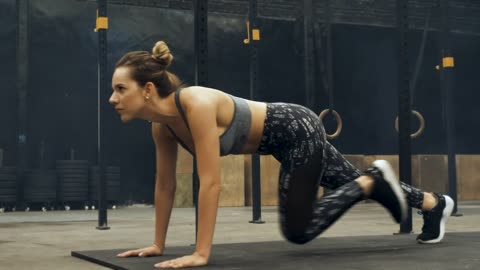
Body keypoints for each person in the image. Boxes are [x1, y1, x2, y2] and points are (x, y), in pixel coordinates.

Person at [110, 41, 455, 269]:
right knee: (343, 180)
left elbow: (211, 183)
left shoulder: (194, 103)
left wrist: (201, 254)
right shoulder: (161, 127)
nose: (113, 98)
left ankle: (371, 183)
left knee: (299, 230)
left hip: (295, 129)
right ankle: (435, 204)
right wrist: (158, 243)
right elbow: (165, 186)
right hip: (280, 141)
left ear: (149, 89)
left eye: (120, 89)